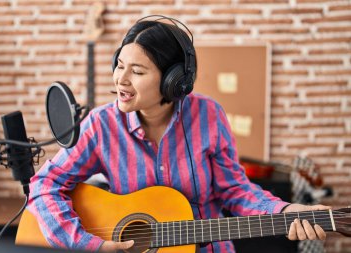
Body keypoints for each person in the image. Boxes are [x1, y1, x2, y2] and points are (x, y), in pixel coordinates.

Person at [27, 15, 330, 253]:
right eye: (120, 66)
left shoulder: (208, 116)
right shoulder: (101, 124)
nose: (121, 79)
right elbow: (44, 185)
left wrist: (285, 210)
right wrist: (87, 244)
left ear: (174, 82)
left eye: (138, 71)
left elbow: (235, 190)